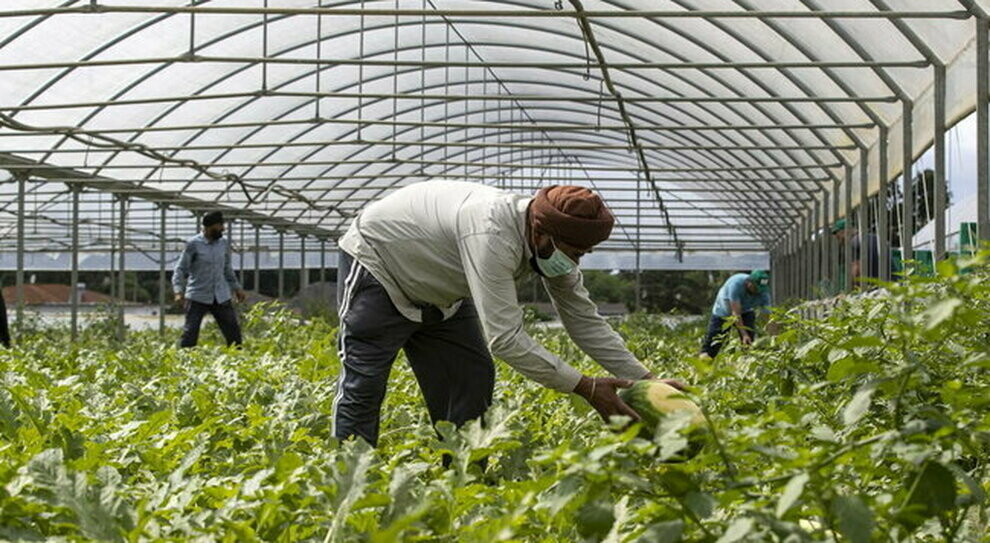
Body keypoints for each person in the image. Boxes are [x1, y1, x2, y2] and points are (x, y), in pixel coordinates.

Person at [333, 181, 682, 446]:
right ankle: (347, 484)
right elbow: (506, 340)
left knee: (472, 376)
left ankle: (462, 474)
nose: (575, 262)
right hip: (381, 267)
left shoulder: (553, 246)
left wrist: (646, 379)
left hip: (446, 287)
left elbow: (583, 321)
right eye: (574, 251)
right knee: (365, 384)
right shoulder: (491, 233)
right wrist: (586, 387)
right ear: (540, 231)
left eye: (585, 253)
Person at [173, 210, 247, 348]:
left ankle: (237, 361)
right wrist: (178, 291)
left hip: (220, 295)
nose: (223, 229)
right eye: (220, 225)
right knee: (190, 333)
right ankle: (184, 363)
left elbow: (226, 268)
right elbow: (181, 269)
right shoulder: (193, 244)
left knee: (233, 333)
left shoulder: (223, 244)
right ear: (209, 227)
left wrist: (236, 288)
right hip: (197, 295)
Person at [700, 270, 771, 358]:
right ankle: (703, 363)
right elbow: (736, 314)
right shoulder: (736, 284)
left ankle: (746, 362)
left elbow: (768, 317)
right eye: (756, 288)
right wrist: (744, 334)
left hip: (746, 311)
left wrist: (774, 338)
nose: (758, 291)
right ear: (749, 282)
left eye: (761, 289)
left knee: (749, 342)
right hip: (722, 312)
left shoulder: (763, 293)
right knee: (713, 344)